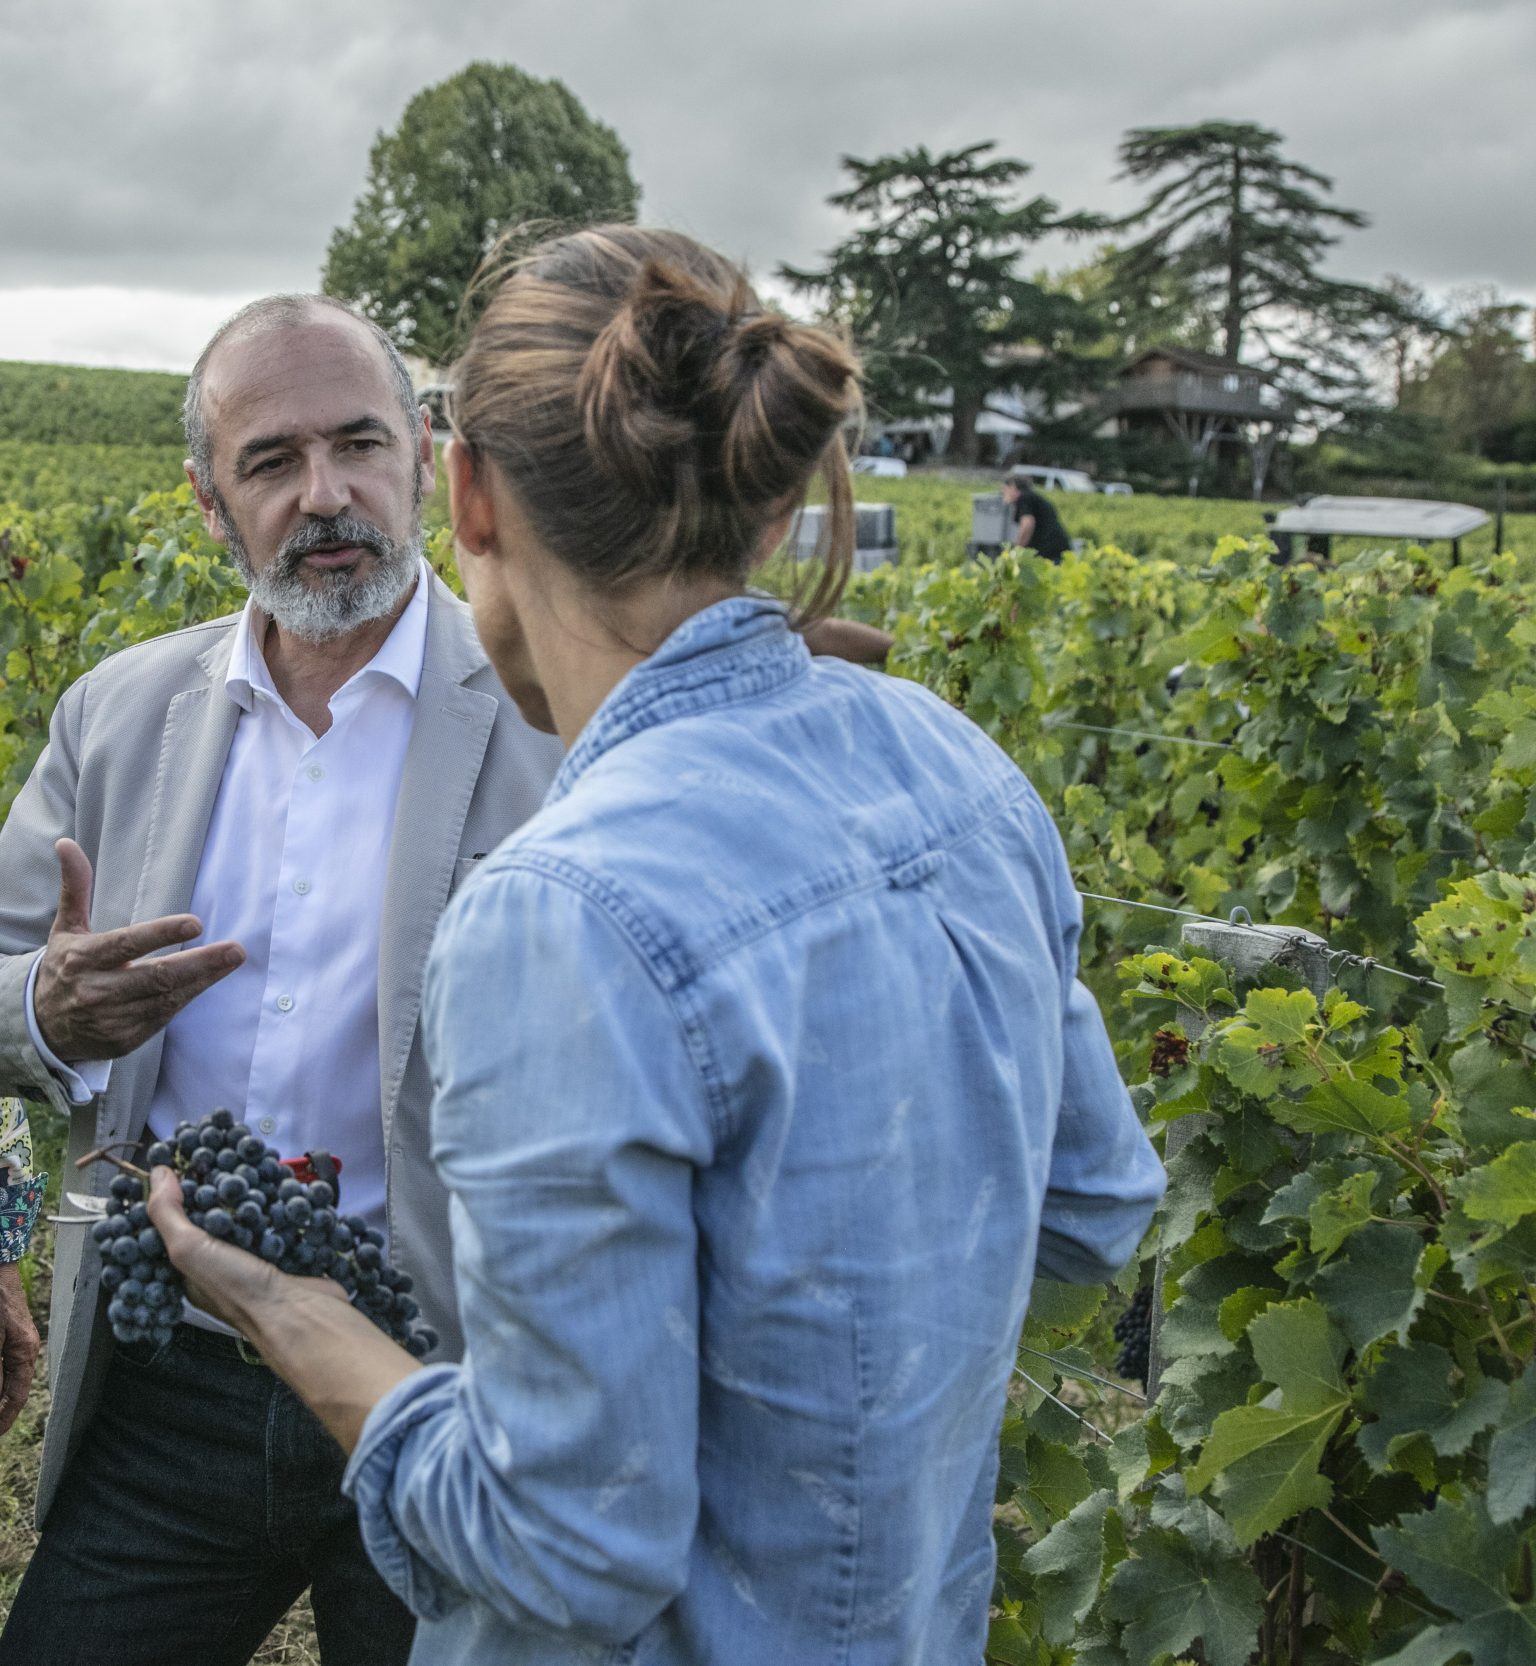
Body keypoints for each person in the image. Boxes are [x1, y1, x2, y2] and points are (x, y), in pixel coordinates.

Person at [145, 225, 1165, 1665]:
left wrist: (294, 1316)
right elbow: (1094, 1204)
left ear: (469, 492)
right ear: (760, 498)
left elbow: (560, 1553)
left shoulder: (559, 913)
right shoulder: (957, 762)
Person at [0, 291, 890, 1665]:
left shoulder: (575, 697)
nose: (327, 493)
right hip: (171, 1372)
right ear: (206, 502)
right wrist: (46, 1013)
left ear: (428, 456)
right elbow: (6, 976)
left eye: (360, 443)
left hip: (459, 1379)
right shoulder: (118, 714)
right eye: (272, 462)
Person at [1001, 470, 1072, 562]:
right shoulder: (1032, 497)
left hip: (1049, 552)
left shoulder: (1024, 498)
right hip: (1057, 548)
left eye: (1005, 489)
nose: (1003, 493)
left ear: (1013, 487)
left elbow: (1027, 524)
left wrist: (1017, 551)